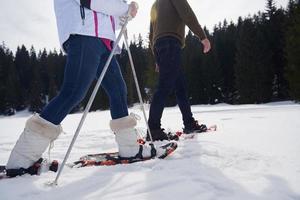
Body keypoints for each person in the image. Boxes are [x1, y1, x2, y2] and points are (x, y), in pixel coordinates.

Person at [6, 0, 164, 177]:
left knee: (118, 90)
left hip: (103, 41)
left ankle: (129, 148)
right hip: (84, 35)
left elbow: (108, 13)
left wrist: (126, 13)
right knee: (73, 92)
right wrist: (124, 8)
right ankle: (21, 158)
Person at [147, 0, 212, 141]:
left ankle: (189, 123)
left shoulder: (155, 4)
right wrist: (203, 36)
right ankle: (153, 129)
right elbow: (187, 14)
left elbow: (151, 34)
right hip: (170, 43)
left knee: (180, 87)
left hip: (161, 46)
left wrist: (157, 58)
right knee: (164, 86)